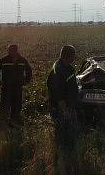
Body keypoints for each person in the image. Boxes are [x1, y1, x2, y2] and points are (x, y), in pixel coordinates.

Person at [47, 45, 79, 174]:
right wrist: (64, 109)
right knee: (62, 132)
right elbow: (57, 93)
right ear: (67, 55)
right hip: (62, 108)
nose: (75, 57)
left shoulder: (67, 67)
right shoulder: (58, 70)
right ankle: (62, 160)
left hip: (68, 106)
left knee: (69, 130)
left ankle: (67, 157)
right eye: (73, 55)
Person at [0, 44, 32, 125]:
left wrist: (26, 81)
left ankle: (15, 121)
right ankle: (4, 122)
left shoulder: (22, 60)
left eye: (12, 50)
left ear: (16, 51)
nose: (10, 52)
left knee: (17, 105)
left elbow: (29, 70)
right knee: (5, 105)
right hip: (6, 87)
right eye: (9, 50)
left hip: (18, 87)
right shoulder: (4, 60)